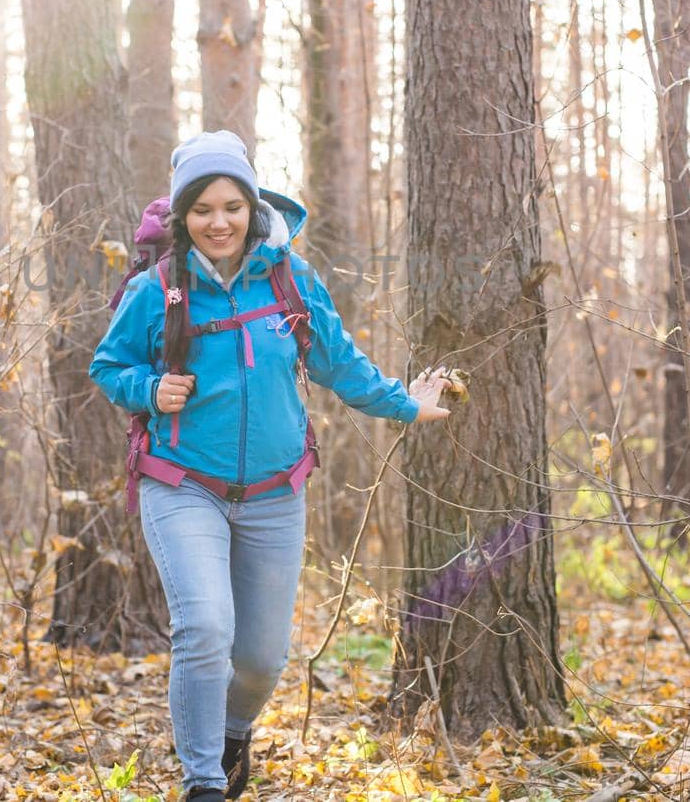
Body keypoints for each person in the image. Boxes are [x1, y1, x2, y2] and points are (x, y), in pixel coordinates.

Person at [89, 130, 452, 801]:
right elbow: (107, 365)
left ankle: (231, 731)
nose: (218, 221)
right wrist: (147, 389)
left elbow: (342, 363)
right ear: (182, 217)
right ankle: (203, 782)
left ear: (253, 207)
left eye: (231, 205)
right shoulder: (158, 288)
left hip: (275, 495)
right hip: (182, 485)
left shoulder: (291, 279)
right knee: (205, 627)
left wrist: (406, 405)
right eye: (201, 209)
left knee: (260, 659)